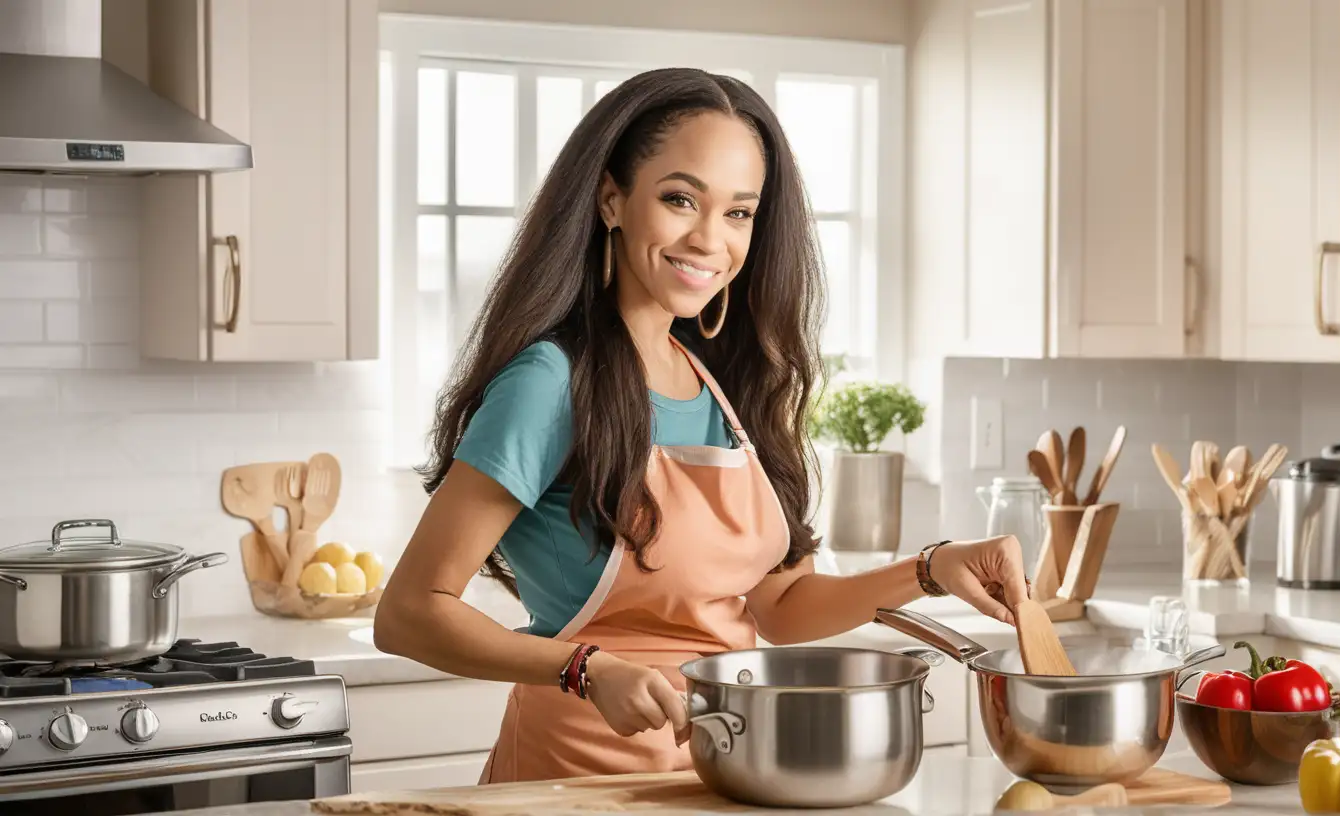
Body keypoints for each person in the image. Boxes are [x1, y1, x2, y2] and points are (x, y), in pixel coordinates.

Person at [374, 66, 1030, 785]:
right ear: (611, 199)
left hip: (717, 775)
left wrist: (930, 569)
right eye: (680, 199)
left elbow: (778, 607)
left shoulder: (730, 387)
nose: (709, 239)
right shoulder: (552, 382)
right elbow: (410, 612)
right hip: (575, 782)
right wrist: (585, 668)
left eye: (739, 212)